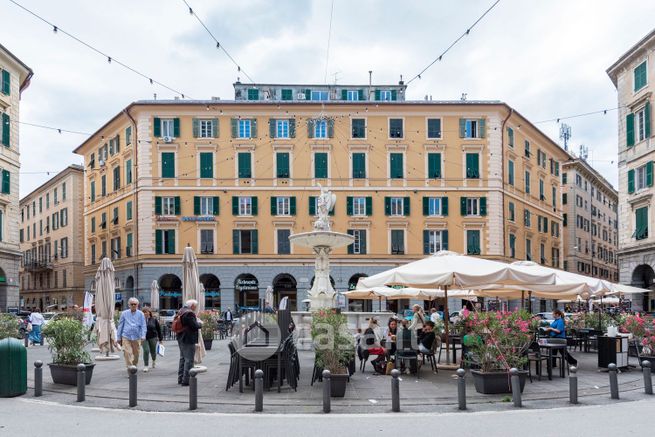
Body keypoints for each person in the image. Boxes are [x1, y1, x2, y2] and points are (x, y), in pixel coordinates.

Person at [117, 298, 147, 371]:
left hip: (137, 336)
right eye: (132, 304)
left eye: (135, 304)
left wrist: (143, 335)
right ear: (129, 305)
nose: (133, 305)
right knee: (127, 353)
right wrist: (118, 337)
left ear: (137, 305)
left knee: (136, 354)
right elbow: (120, 325)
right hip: (126, 336)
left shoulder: (141, 314)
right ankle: (130, 368)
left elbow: (143, 325)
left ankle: (134, 365)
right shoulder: (124, 313)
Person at [177, 299, 203, 386]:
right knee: (189, 360)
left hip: (181, 338)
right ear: (192, 306)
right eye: (195, 306)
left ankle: (180, 378)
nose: (195, 308)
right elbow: (194, 326)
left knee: (183, 359)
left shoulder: (181, 310)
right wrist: (200, 324)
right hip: (188, 339)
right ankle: (186, 380)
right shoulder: (190, 313)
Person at [141, 308, 162, 372]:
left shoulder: (154, 320)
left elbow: (159, 329)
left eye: (146, 312)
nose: (145, 313)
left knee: (153, 351)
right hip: (143, 338)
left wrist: (160, 339)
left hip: (153, 337)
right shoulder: (141, 320)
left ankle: (153, 360)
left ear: (149, 312)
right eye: (144, 312)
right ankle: (146, 366)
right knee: (146, 350)